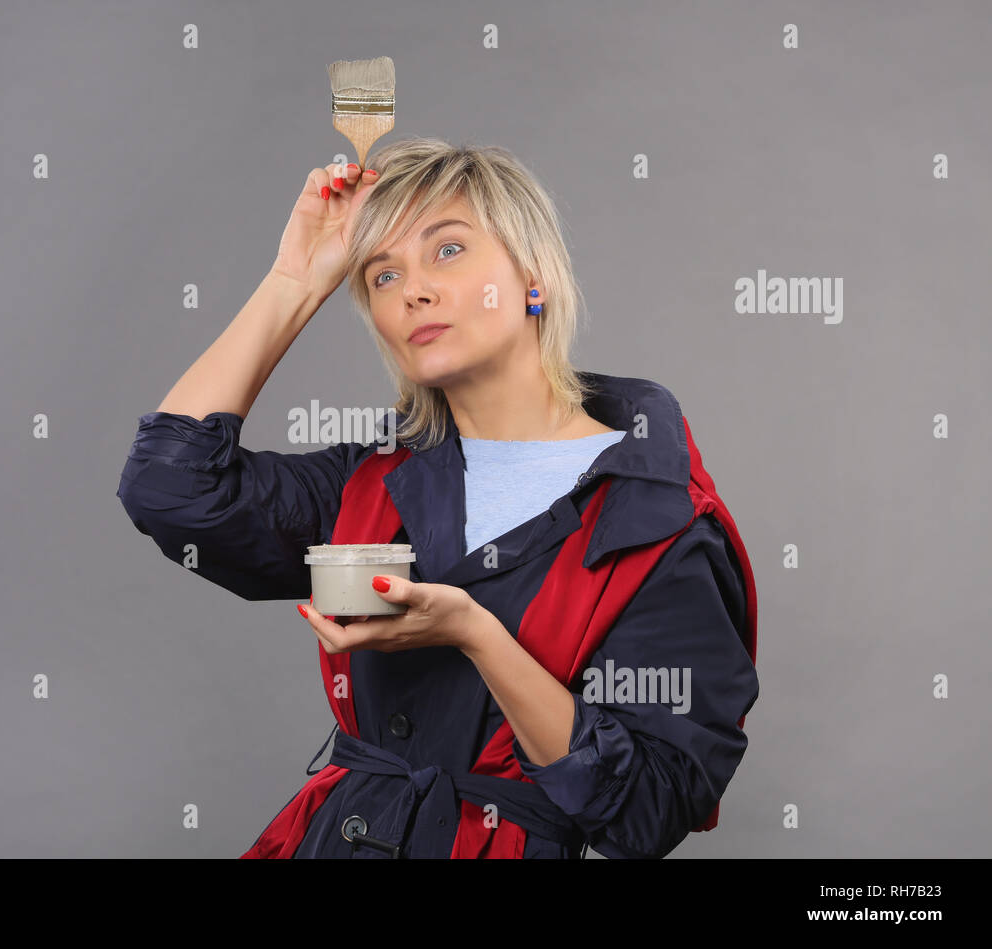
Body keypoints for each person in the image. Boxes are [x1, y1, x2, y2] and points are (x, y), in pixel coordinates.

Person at [117, 138, 759, 859]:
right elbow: (171, 489)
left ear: (533, 278)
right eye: (383, 274)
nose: (411, 290)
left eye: (447, 251)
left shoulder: (657, 520)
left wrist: (476, 634)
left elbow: (647, 809)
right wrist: (294, 281)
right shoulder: (373, 478)